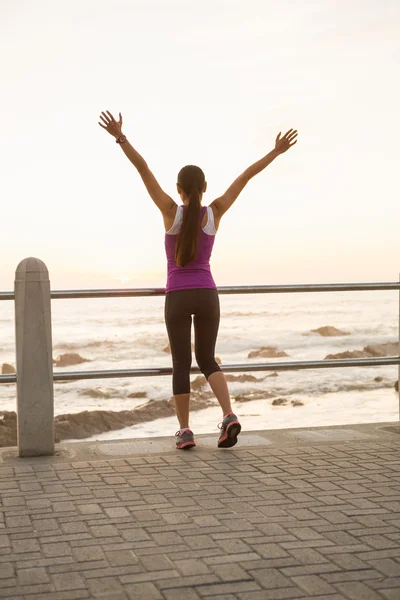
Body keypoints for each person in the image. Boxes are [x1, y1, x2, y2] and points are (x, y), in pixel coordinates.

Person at [99, 110, 298, 449]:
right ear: (204, 189)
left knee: (181, 363)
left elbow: (143, 169)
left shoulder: (168, 209)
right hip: (207, 295)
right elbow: (246, 175)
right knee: (207, 358)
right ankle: (229, 414)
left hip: (177, 296)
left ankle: (185, 431)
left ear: (179, 190)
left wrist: (121, 138)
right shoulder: (216, 211)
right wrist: (276, 152)